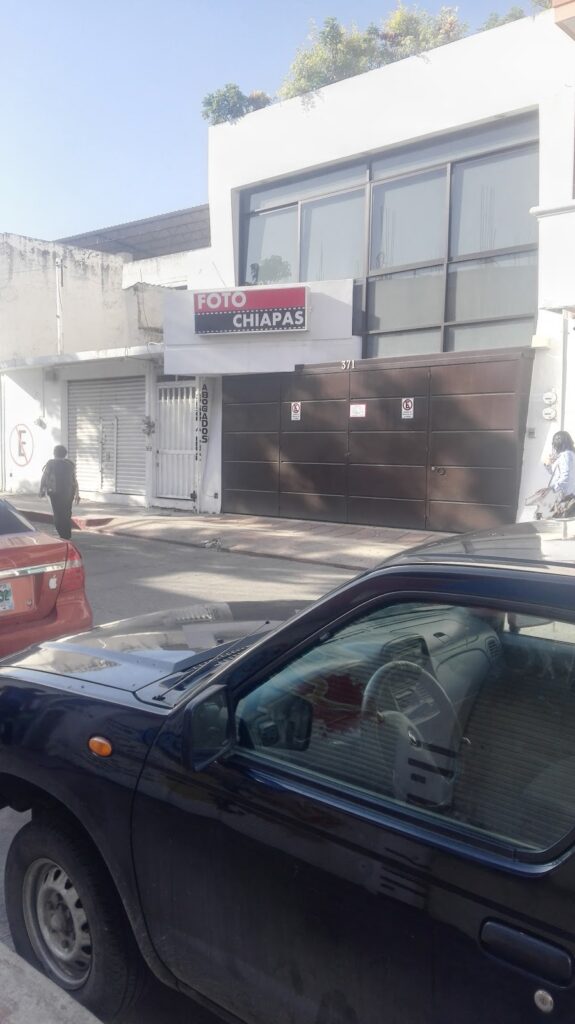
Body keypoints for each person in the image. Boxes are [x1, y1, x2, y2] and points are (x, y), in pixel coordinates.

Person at [39, 445, 79, 540]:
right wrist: (77, 494)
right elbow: (74, 480)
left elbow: (44, 477)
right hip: (69, 493)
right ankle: (67, 535)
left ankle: (62, 534)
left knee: (58, 514)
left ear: (54, 453)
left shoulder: (50, 464)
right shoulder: (70, 464)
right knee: (67, 513)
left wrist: (41, 489)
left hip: (55, 493)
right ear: (65, 454)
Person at [543, 430, 575, 519]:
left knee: (556, 521)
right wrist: (548, 464)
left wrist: (552, 489)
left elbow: (565, 477)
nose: (553, 445)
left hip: (564, 497)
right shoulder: (570, 454)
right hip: (568, 495)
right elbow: (556, 474)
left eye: (555, 441)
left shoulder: (565, 455)